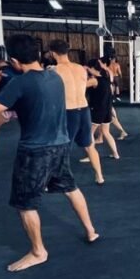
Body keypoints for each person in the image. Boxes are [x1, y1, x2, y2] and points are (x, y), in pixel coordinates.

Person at [0, 35, 98, 272]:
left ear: (14, 60)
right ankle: (91, 231)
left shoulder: (20, 84)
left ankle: (38, 251)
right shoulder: (55, 77)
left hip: (35, 151)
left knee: (25, 204)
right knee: (70, 188)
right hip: (61, 144)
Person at [49, 40, 104, 185]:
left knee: (62, 148)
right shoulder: (80, 68)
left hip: (69, 112)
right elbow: (81, 86)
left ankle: (58, 180)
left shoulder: (54, 71)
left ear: (52, 53)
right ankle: (99, 176)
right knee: (89, 145)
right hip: (84, 110)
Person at [87, 58, 120, 159]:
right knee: (106, 132)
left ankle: (91, 156)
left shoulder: (94, 80)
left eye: (89, 68)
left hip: (98, 110)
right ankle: (116, 154)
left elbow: (79, 86)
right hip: (107, 109)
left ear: (92, 68)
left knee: (89, 133)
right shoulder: (105, 78)